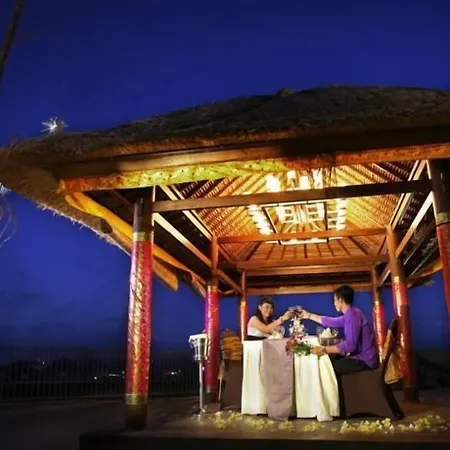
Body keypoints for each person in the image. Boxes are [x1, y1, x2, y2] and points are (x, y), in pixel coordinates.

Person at [299, 285, 378, 375]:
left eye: (335, 300)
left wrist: (323, 349)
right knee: (330, 358)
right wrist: (308, 315)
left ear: (341, 300)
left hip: (366, 360)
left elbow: (350, 346)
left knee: (329, 367)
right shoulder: (351, 313)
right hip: (360, 355)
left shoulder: (353, 316)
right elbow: (330, 321)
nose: (334, 304)